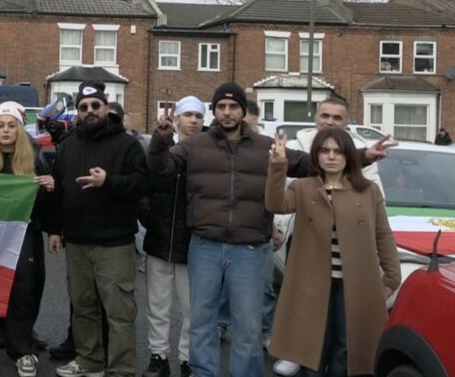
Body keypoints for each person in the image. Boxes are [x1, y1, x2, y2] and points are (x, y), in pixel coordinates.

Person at [148, 82, 393, 377]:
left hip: (250, 249)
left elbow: (311, 163)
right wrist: (161, 140)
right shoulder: (193, 145)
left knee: (248, 328)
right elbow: (161, 169)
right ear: (213, 111)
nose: (227, 112)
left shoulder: (265, 146)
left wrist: (363, 155)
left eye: (233, 106)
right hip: (205, 246)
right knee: (202, 322)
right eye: (221, 107)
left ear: (242, 111)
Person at [266, 129, 400, 376]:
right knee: (312, 351)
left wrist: (392, 277)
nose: (331, 157)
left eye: (338, 151)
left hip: (354, 287)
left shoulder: (368, 191)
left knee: (345, 351)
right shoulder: (302, 187)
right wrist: (277, 165)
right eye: (324, 151)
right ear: (316, 156)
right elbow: (276, 205)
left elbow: (383, 234)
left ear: (348, 155)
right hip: (312, 287)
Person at [45, 80, 148, 377]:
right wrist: (54, 230)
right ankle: (90, 360)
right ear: (77, 111)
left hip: (114, 244)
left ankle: (121, 369)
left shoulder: (127, 144)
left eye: (95, 106)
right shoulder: (69, 145)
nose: (89, 111)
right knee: (83, 307)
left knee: (119, 312)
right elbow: (60, 189)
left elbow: (142, 184)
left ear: (106, 108)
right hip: (76, 242)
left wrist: (109, 182)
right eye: (83, 107)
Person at [0, 101, 55, 377]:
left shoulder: (36, 160)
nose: (5, 130)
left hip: (23, 234)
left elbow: (45, 207)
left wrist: (49, 188)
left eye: (11, 125)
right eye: (0, 126)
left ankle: (22, 350)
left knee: (23, 291)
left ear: (19, 129)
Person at [140, 96, 204, 377]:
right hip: (160, 240)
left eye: (198, 115)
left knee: (193, 309)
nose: (192, 120)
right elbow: (144, 191)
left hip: (194, 245)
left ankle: (189, 359)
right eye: (187, 114)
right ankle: (158, 356)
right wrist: (152, 221)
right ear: (176, 118)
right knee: (158, 307)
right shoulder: (159, 149)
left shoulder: (208, 154)